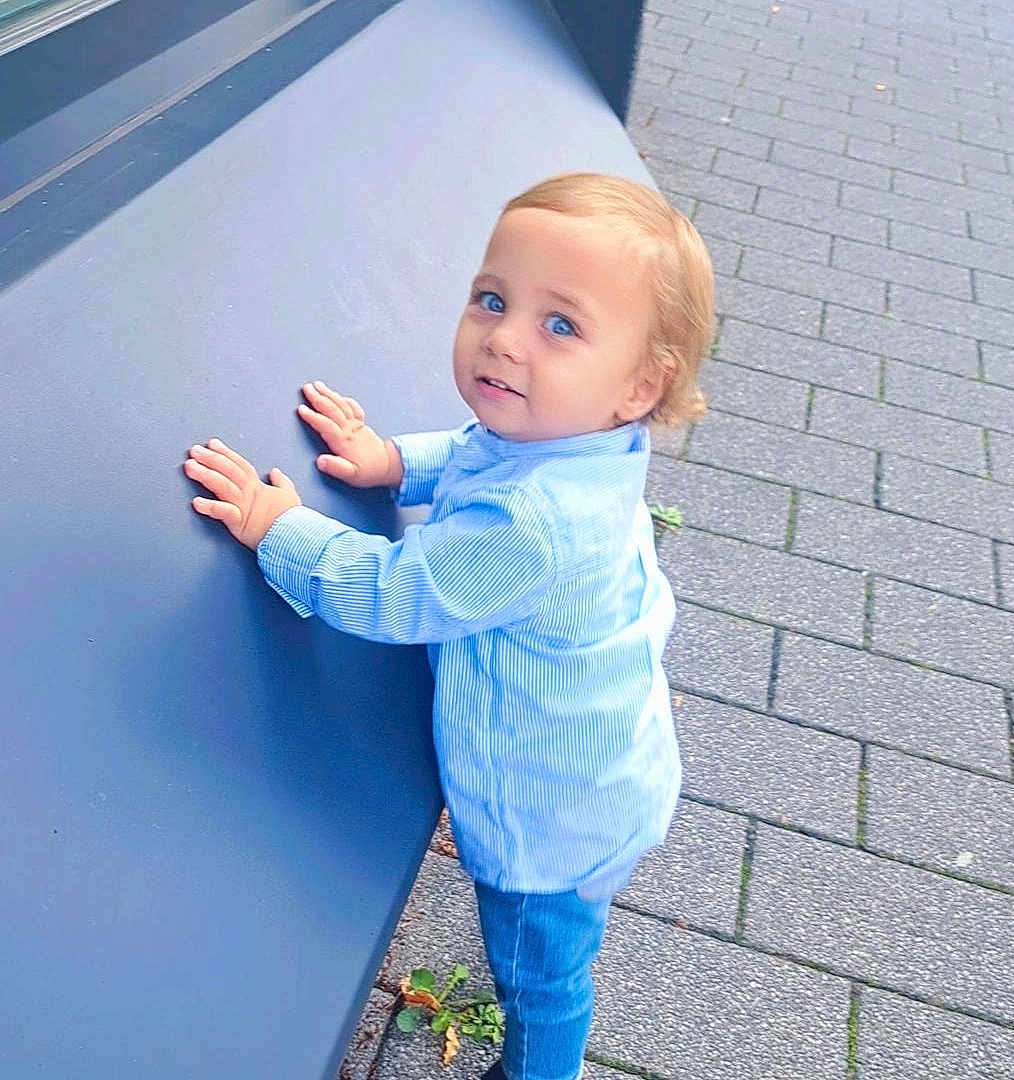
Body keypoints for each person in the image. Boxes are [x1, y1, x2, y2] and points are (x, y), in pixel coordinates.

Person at [182, 172, 714, 1080]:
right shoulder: (582, 442)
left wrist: (282, 530)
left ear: (640, 386)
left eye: (560, 325)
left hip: (549, 822)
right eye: (491, 299)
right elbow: (480, 454)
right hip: (603, 763)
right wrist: (394, 463)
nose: (503, 338)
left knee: (540, 980)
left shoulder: (532, 530)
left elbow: (397, 594)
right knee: (548, 966)